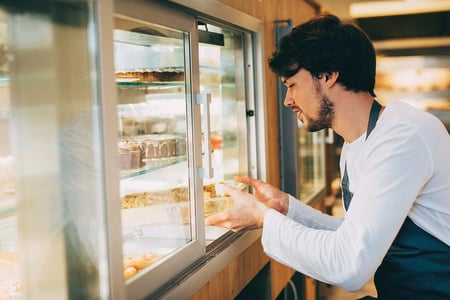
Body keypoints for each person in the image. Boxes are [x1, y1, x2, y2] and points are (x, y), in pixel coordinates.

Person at [205, 14, 450, 299]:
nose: (288, 101)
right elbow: (357, 234)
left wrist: (264, 218)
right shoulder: (357, 143)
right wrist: (288, 210)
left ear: (328, 75)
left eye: (292, 84)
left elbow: (349, 265)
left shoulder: (404, 135)